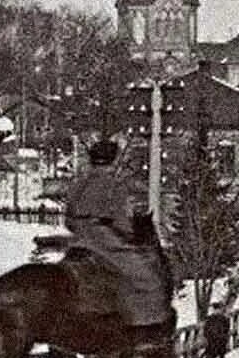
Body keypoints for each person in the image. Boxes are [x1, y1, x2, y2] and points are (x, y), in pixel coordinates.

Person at [65, 139, 172, 328]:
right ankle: (145, 323)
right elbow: (122, 220)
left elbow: (68, 219)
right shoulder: (115, 186)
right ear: (113, 160)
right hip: (105, 239)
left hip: (79, 239)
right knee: (145, 278)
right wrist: (129, 234)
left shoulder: (78, 184)